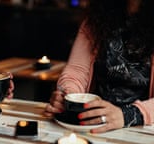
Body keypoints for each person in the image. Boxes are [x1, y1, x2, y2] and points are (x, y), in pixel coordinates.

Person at [44, 0, 154, 133]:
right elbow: (76, 71)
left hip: (144, 127)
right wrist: (69, 97)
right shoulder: (98, 17)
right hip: (95, 121)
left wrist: (128, 114)